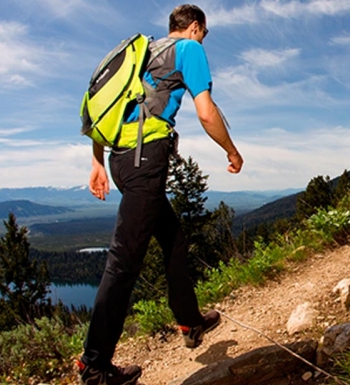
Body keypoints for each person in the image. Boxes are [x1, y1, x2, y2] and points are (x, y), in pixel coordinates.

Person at [77, 4, 243, 385]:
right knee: (123, 264)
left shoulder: (142, 55)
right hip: (144, 161)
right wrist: (231, 151)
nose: (203, 41)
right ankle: (95, 365)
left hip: (120, 160)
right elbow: (206, 112)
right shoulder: (188, 50)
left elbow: (103, 114)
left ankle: (189, 321)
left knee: (172, 238)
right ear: (196, 27)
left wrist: (97, 163)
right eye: (204, 34)